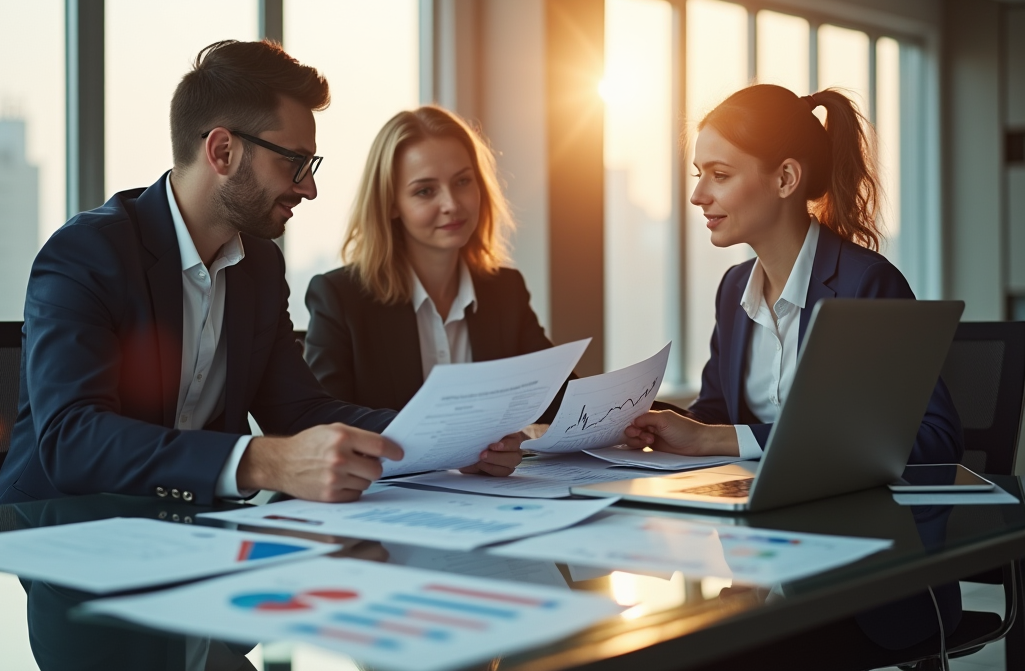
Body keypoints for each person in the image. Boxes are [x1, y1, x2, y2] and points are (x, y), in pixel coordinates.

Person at [0, 41, 522, 508]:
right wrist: (261, 461)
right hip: (58, 537)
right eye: (295, 162)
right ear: (222, 150)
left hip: (193, 536)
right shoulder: (89, 252)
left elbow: (299, 407)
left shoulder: (259, 265)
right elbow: (72, 441)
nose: (308, 189)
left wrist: (447, 439)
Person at [623, 84, 962, 464]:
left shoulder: (866, 284)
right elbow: (716, 416)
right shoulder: (734, 288)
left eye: (719, 175)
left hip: (842, 516)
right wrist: (652, 423)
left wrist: (711, 441)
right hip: (750, 508)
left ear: (785, 178)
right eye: (698, 174)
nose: (697, 195)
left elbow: (935, 440)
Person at [304, 106, 563, 431]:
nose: (452, 204)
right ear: (391, 203)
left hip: (489, 482)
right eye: (425, 191)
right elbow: (323, 422)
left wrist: (629, 419)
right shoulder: (340, 298)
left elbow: (558, 397)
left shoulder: (504, 290)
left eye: (463, 181)